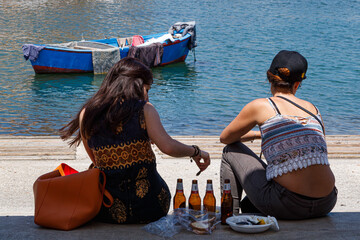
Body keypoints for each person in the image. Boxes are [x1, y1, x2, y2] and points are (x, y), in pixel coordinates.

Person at [60, 57, 210, 224]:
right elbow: (168, 147)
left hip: (106, 209)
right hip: (150, 207)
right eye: (147, 89)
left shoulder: (87, 113)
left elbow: (96, 161)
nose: (147, 96)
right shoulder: (145, 110)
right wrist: (196, 151)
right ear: (136, 85)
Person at [219, 50, 337, 220]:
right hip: (327, 202)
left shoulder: (261, 106)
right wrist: (264, 135)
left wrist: (255, 134)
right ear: (297, 84)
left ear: (270, 79)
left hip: (288, 204)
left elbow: (225, 138)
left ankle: (230, 217)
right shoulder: (313, 109)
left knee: (230, 151)